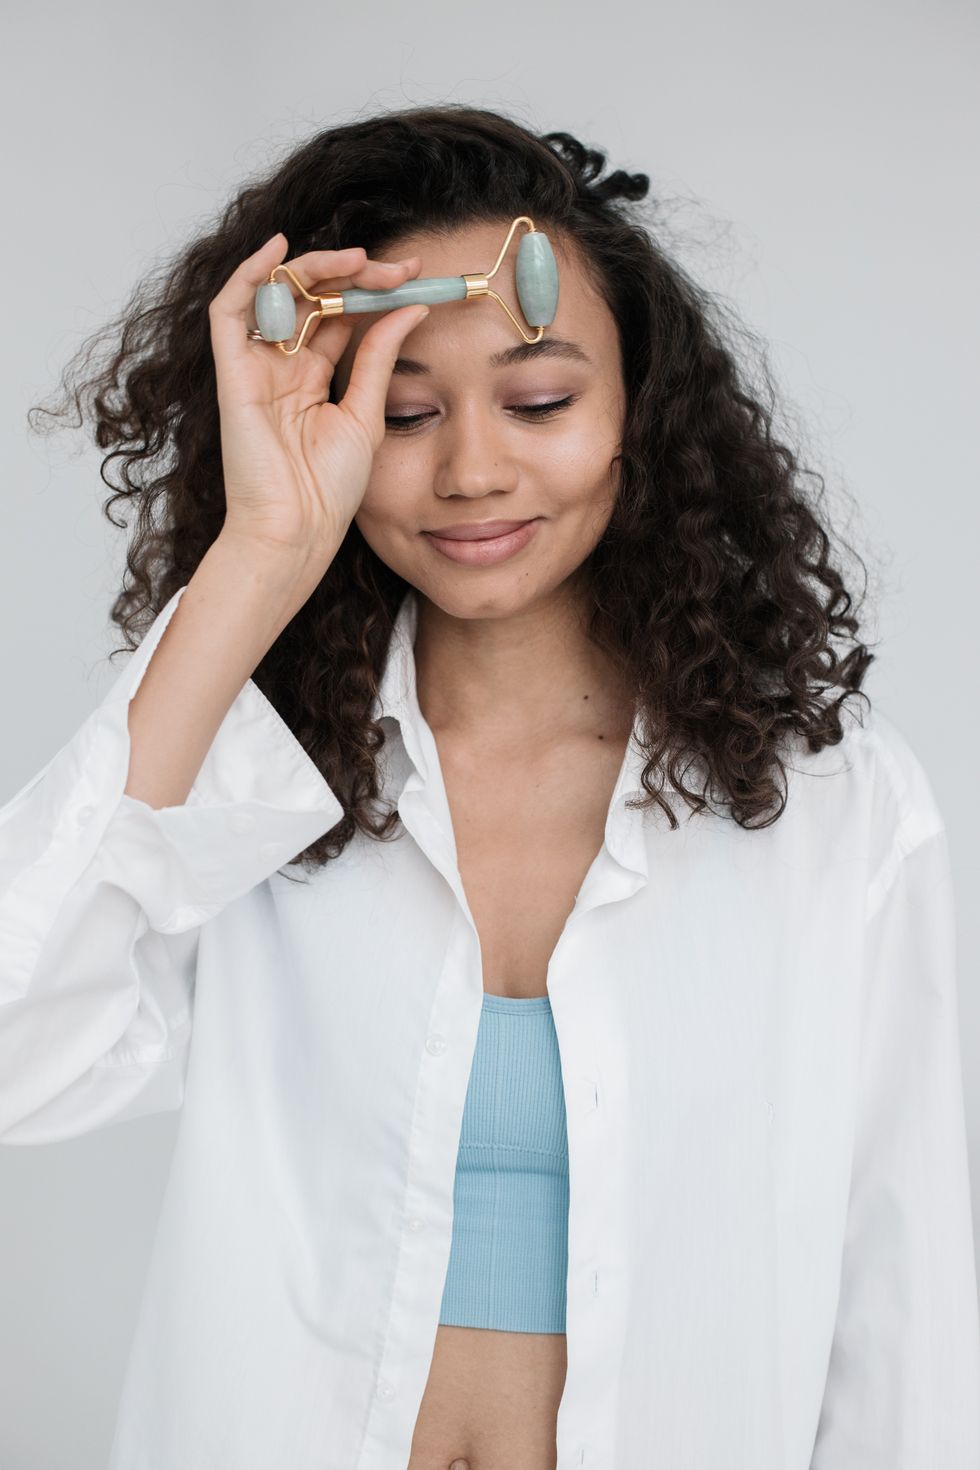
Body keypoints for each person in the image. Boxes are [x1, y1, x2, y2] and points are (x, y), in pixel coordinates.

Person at [1, 101, 978, 1470]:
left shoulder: (842, 814)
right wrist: (263, 551)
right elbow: (16, 1048)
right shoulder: (257, 789)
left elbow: (906, 1311)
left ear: (641, 405)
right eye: (403, 413)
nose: (470, 469)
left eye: (539, 400)